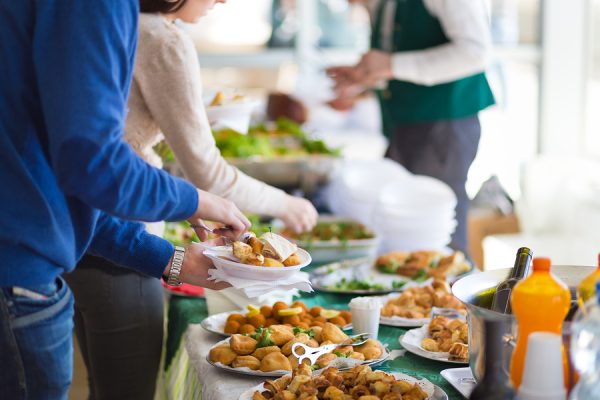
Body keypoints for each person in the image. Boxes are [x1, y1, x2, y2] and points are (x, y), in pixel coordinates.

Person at [66, 0, 318, 398]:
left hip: (81, 231)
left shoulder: (111, 23)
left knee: (104, 383)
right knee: (125, 391)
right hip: (119, 240)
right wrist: (287, 204)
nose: (222, 1)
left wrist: (181, 204)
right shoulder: (163, 39)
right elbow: (206, 172)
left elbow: (120, 146)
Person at [0, 1, 251, 399]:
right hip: (17, 280)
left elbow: (63, 182)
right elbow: (92, 164)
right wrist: (196, 200)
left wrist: (173, 260)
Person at [328, 0, 495, 257]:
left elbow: (475, 52)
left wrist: (391, 65)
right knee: (402, 227)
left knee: (436, 232)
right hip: (405, 123)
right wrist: (367, 77)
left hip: (443, 123)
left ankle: (451, 294)